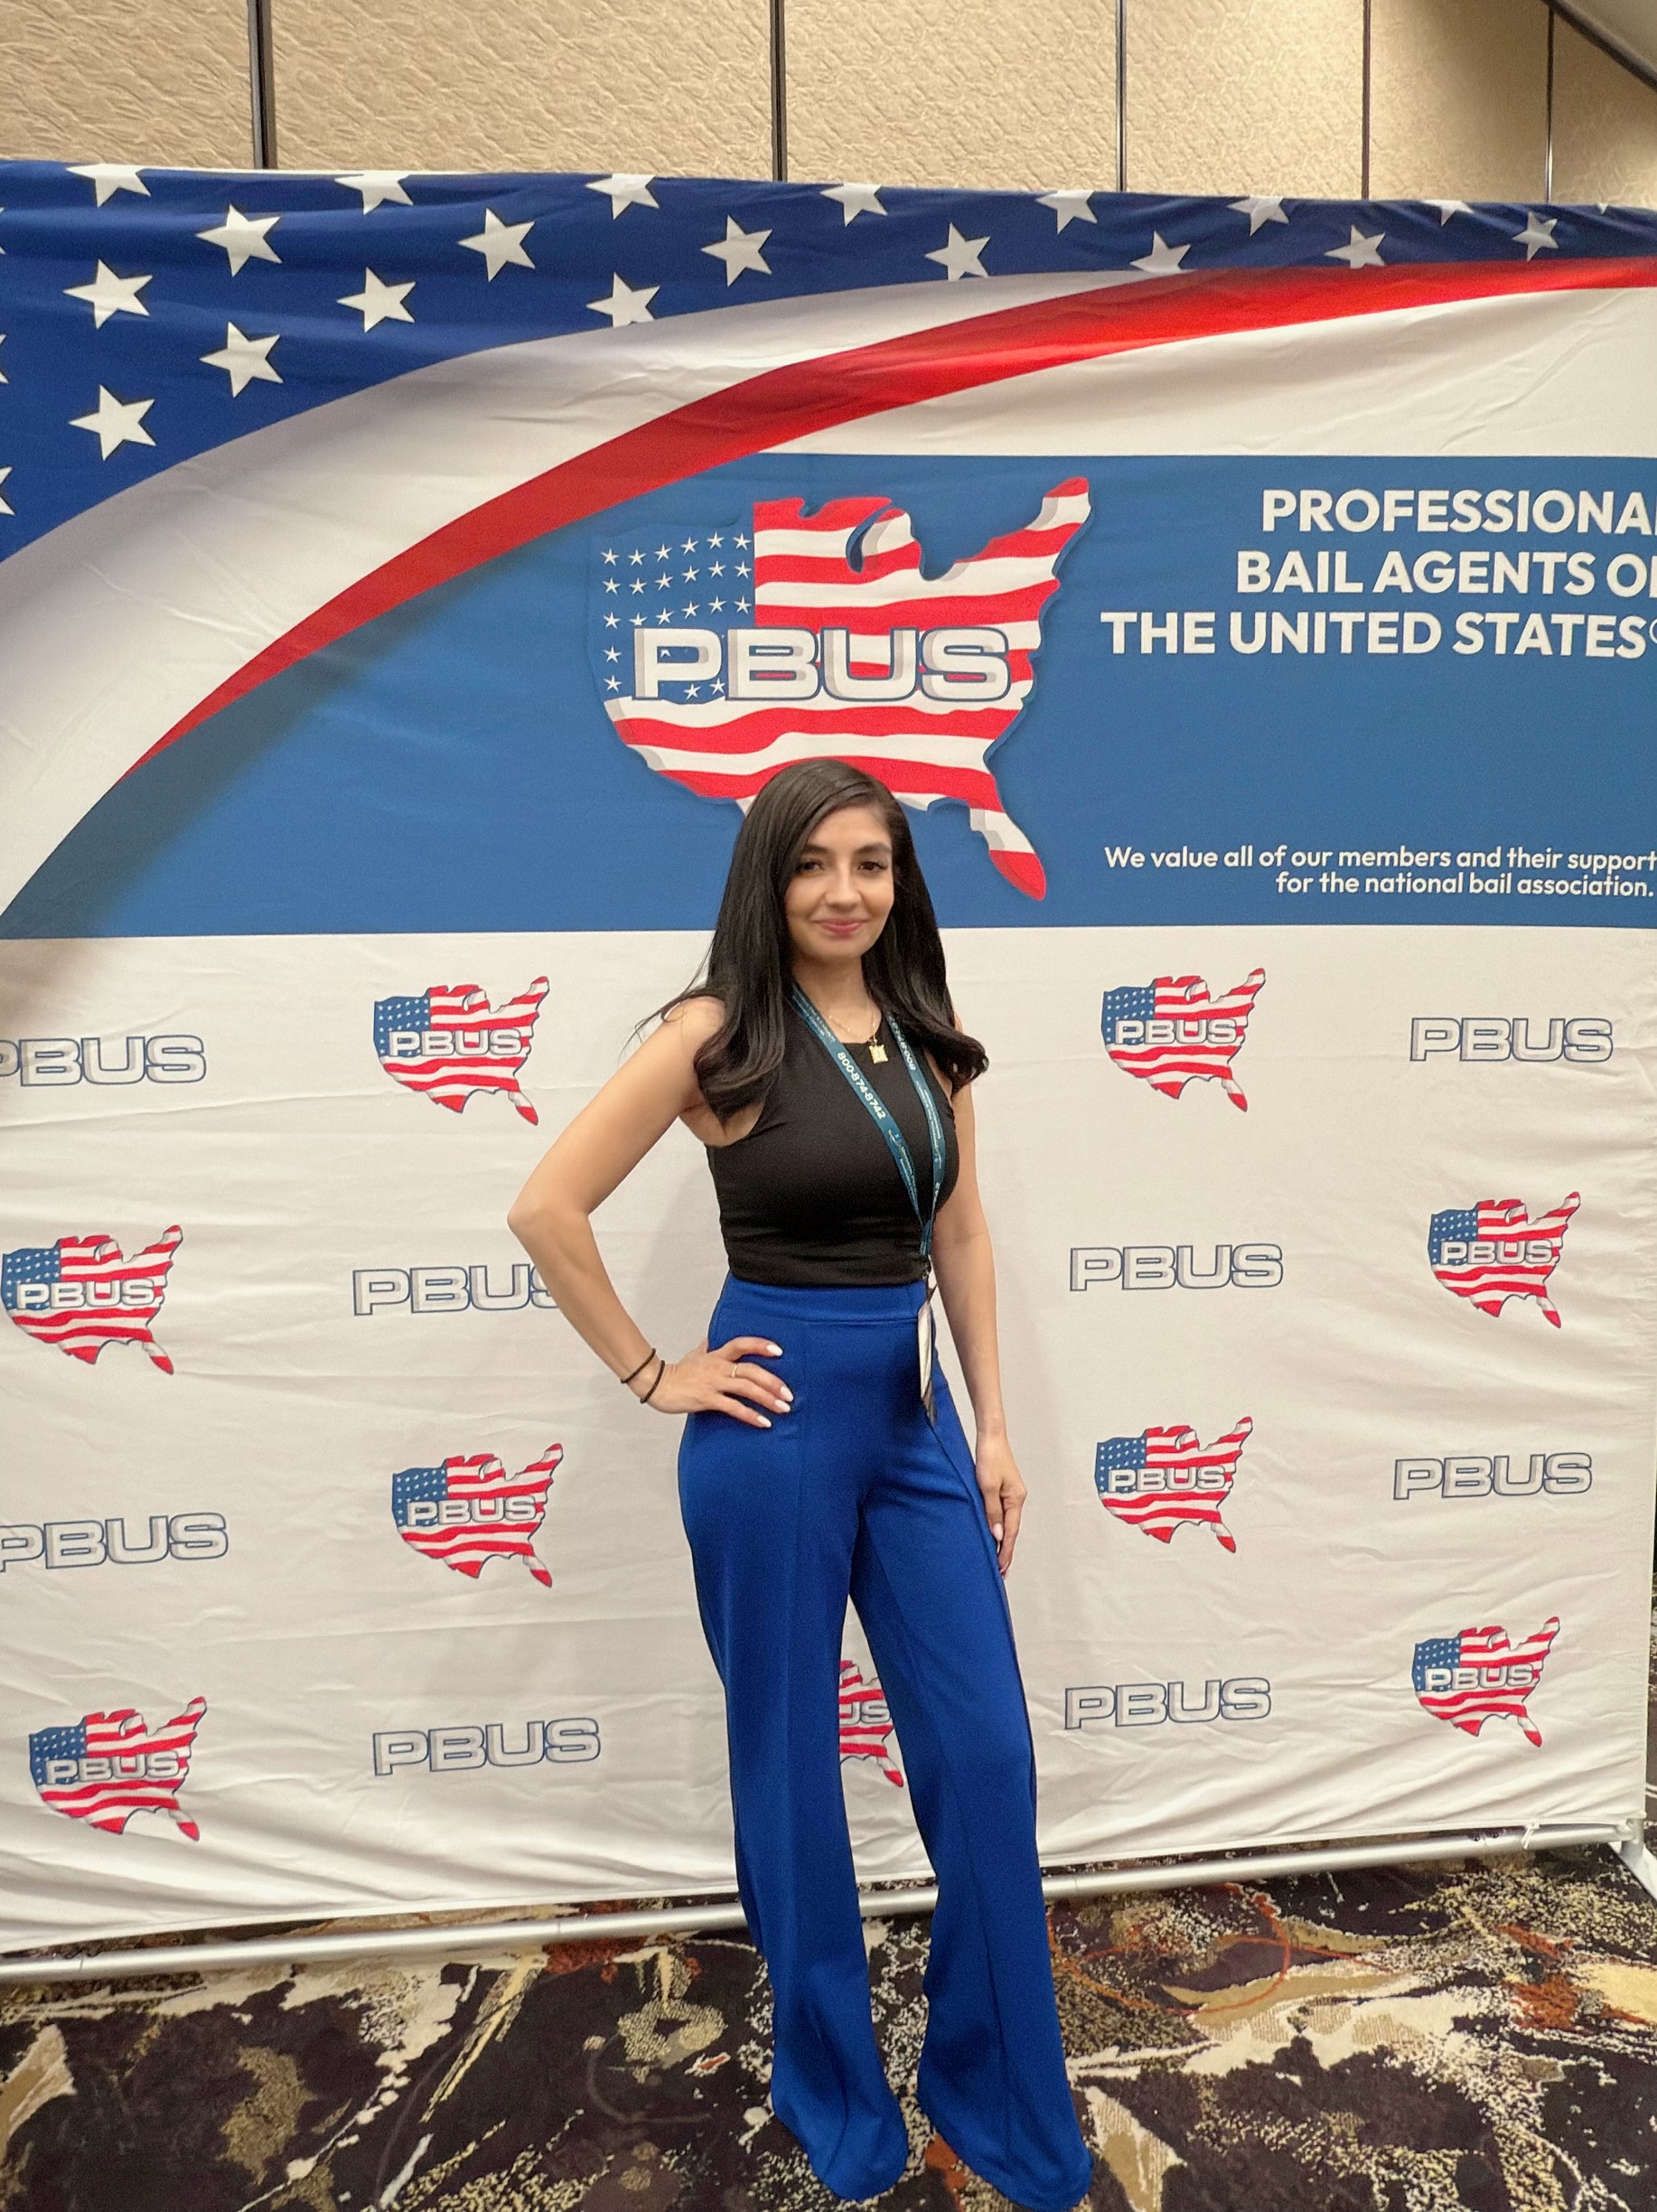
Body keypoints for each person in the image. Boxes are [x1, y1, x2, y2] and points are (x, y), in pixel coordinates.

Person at [508, 759, 1091, 2211]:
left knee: (986, 1756)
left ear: (902, 881)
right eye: (812, 864)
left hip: (912, 1422)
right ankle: (831, 2087)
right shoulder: (714, 1035)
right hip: (769, 1432)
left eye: (870, 864)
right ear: (767, 881)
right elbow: (545, 1206)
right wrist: (655, 1374)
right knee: (789, 1769)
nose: (844, 892)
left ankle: (994, 2087)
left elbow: (959, 1238)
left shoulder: (930, 1040)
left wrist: (994, 1426)